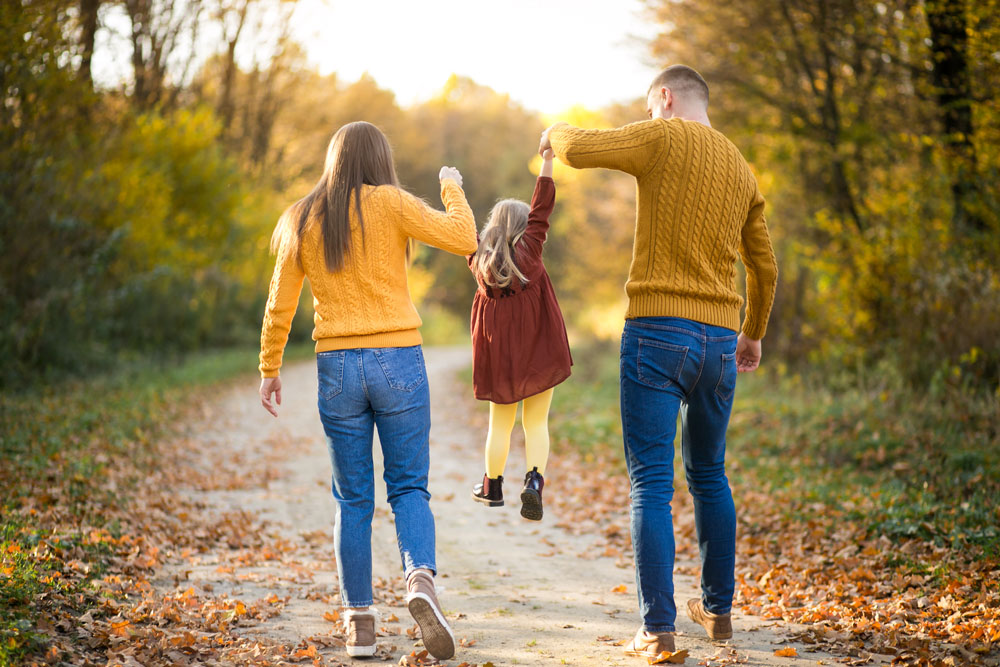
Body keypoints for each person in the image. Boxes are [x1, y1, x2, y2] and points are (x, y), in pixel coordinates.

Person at [539, 65, 778, 657]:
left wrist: (553, 131)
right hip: (721, 342)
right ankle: (719, 615)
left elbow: (580, 147)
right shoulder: (742, 168)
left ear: (666, 99)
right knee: (710, 474)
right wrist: (752, 335)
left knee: (650, 481)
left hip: (656, 333)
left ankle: (659, 628)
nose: (649, 117)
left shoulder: (661, 135)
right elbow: (765, 266)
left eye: (651, 107)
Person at [257, 121, 478, 661]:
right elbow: (465, 238)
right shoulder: (392, 203)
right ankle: (420, 581)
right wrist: (452, 184)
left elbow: (279, 302)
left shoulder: (301, 217)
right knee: (408, 488)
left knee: (352, 498)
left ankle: (359, 626)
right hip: (398, 358)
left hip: (336, 368)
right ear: (379, 159)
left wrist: (270, 366)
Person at [466, 148, 572, 521]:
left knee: (500, 424)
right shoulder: (531, 250)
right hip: (540, 354)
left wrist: (453, 189)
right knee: (536, 423)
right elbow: (542, 204)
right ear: (526, 228)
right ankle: (534, 482)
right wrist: (546, 158)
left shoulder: (478, 259)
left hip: (503, 361)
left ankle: (492, 486)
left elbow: (461, 226)